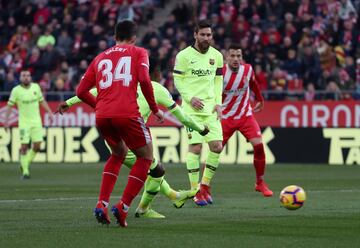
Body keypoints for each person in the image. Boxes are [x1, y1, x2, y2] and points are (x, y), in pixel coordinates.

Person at [56, 59, 209, 219]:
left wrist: (69, 102)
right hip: (133, 137)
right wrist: (201, 128)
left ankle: (171, 197)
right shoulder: (157, 89)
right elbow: (182, 116)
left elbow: (93, 91)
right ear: (157, 73)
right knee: (155, 171)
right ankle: (144, 207)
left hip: (115, 134)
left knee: (153, 170)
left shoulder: (122, 84)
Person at [76, 20, 164, 227]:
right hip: (127, 114)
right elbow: (144, 79)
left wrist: (99, 105)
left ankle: (101, 204)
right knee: (146, 158)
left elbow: (80, 91)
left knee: (117, 154)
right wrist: (154, 108)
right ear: (134, 37)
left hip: (103, 116)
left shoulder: (99, 57)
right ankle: (123, 207)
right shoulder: (139, 52)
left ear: (114, 36)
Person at [173, 20, 224, 206]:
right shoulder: (184, 56)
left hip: (210, 109)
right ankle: (195, 190)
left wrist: (218, 103)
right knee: (195, 148)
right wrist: (189, 98)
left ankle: (205, 187)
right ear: (195, 35)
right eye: (202, 34)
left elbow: (218, 81)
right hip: (191, 111)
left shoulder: (217, 56)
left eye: (208, 35)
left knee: (217, 147)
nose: (206, 38)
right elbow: (177, 80)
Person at [221, 44, 273, 197]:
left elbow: (253, 83)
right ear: (226, 57)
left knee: (259, 146)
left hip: (245, 116)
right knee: (214, 152)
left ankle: (260, 183)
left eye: (239, 56)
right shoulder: (220, 73)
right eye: (233, 56)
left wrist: (260, 98)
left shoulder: (248, 69)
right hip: (225, 117)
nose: (236, 59)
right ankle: (204, 188)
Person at [4, 69, 54, 179]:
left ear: (30, 77)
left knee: (37, 146)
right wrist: (6, 121)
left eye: (28, 75)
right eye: (23, 75)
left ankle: (24, 163)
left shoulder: (36, 87)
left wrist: (50, 113)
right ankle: (25, 172)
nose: (26, 77)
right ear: (20, 78)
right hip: (24, 123)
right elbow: (9, 106)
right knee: (24, 147)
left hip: (36, 121)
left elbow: (42, 101)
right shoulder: (16, 90)